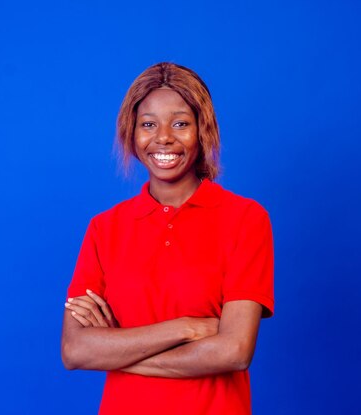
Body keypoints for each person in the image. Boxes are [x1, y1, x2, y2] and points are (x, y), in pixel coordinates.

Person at [61, 62, 274, 415]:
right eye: (148, 124)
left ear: (202, 130)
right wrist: (188, 328)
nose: (163, 137)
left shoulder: (246, 219)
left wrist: (115, 351)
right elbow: (74, 351)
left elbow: (234, 352)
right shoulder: (104, 228)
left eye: (180, 123)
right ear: (132, 133)